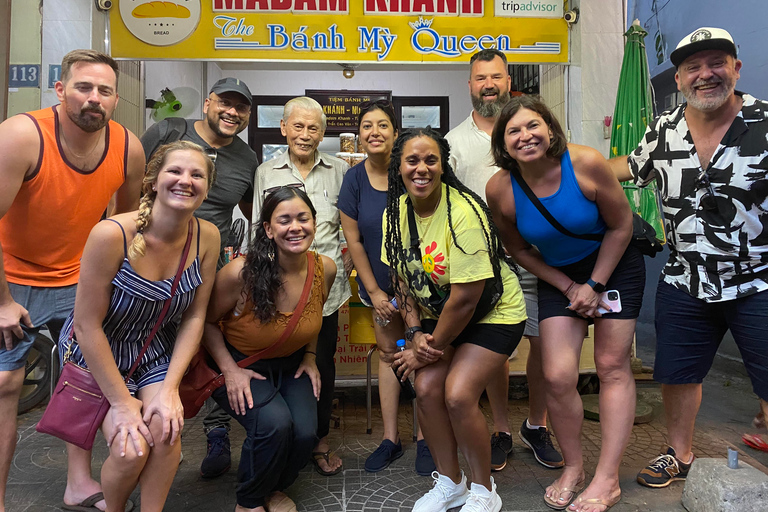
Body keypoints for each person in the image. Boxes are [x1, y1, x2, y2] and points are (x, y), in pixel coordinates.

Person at [609, 27, 768, 490]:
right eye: (693, 67)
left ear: (736, 69)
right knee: (678, 373)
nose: (706, 74)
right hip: (685, 277)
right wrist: (560, 165)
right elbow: (626, 167)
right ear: (678, 79)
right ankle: (678, 454)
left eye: (716, 62)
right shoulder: (664, 128)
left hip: (756, 278)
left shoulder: (763, 122)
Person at [0, 49, 144, 512]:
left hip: (79, 275)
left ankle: (78, 482)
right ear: (60, 90)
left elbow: (127, 222)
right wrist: (2, 302)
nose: (93, 99)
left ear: (115, 98)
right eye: (83, 87)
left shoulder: (127, 146)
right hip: (10, 275)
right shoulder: (22, 135)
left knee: (82, 379)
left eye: (104, 91)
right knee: (5, 385)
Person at [487, 95, 644, 512]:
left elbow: (621, 224)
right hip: (558, 276)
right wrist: (570, 286)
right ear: (503, 144)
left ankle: (607, 478)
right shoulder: (500, 189)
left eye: (532, 125)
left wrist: (594, 283)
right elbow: (518, 249)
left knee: (611, 366)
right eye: (513, 131)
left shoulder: (586, 163)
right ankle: (573, 468)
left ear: (551, 129)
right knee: (557, 376)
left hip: (613, 265)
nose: (525, 136)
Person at [58, 141, 220, 512]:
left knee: (166, 430)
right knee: (131, 449)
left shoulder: (207, 236)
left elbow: (195, 316)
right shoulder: (111, 235)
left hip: (152, 348)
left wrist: (170, 389)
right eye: (175, 171)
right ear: (152, 181)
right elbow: (86, 325)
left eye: (197, 175)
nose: (186, 181)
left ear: (207, 188)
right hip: (96, 347)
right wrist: (121, 402)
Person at [384, 127, 528, 512]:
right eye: (412, 160)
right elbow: (401, 279)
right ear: (398, 166)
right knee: (428, 388)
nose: (422, 169)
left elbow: (466, 299)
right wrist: (414, 332)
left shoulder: (462, 211)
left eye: (431, 160)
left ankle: (484, 490)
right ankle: (451, 483)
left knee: (459, 394)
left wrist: (425, 349)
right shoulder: (395, 214)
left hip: (492, 312)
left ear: (443, 164)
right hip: (442, 316)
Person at [446, 48, 563, 472]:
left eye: (496, 76)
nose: (489, 84)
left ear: (508, 80)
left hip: (540, 257)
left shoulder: (529, 131)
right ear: (470, 85)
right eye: (481, 78)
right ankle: (500, 429)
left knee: (545, 346)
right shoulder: (454, 143)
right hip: (486, 265)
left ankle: (537, 424)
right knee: (491, 347)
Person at [141, 76, 258, 479]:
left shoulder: (246, 159)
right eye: (225, 102)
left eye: (240, 107)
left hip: (207, 266)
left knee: (206, 343)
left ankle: (216, 433)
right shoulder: (169, 131)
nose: (232, 112)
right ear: (207, 102)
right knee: (144, 348)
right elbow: (130, 183)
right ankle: (136, 431)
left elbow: (251, 209)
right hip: (151, 262)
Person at [204, 186, 335, 512]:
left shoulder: (325, 269)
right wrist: (229, 371)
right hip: (239, 363)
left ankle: (273, 487)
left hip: (292, 364)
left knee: (306, 432)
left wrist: (310, 356)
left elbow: (312, 316)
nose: (295, 227)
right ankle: (248, 501)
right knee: (274, 425)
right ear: (267, 228)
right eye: (284, 220)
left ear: (314, 223)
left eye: (303, 218)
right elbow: (205, 323)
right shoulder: (240, 274)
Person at [252, 96, 350, 476]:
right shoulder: (265, 171)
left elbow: (349, 227)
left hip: (324, 293)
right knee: (276, 363)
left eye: (313, 128)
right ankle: (279, 434)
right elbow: (261, 232)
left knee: (321, 366)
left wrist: (348, 264)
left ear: (322, 133)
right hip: (275, 290)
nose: (305, 135)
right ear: (283, 128)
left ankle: (319, 439)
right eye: (298, 126)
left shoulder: (340, 170)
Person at [338, 100, 435, 475]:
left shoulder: (412, 171)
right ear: (359, 135)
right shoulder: (354, 179)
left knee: (421, 353)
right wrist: (376, 293)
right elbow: (354, 239)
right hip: (377, 287)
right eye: (366, 126)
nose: (374, 132)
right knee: (387, 357)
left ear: (396, 133)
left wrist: (408, 292)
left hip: (423, 286)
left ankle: (426, 438)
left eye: (382, 125)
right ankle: (391, 438)